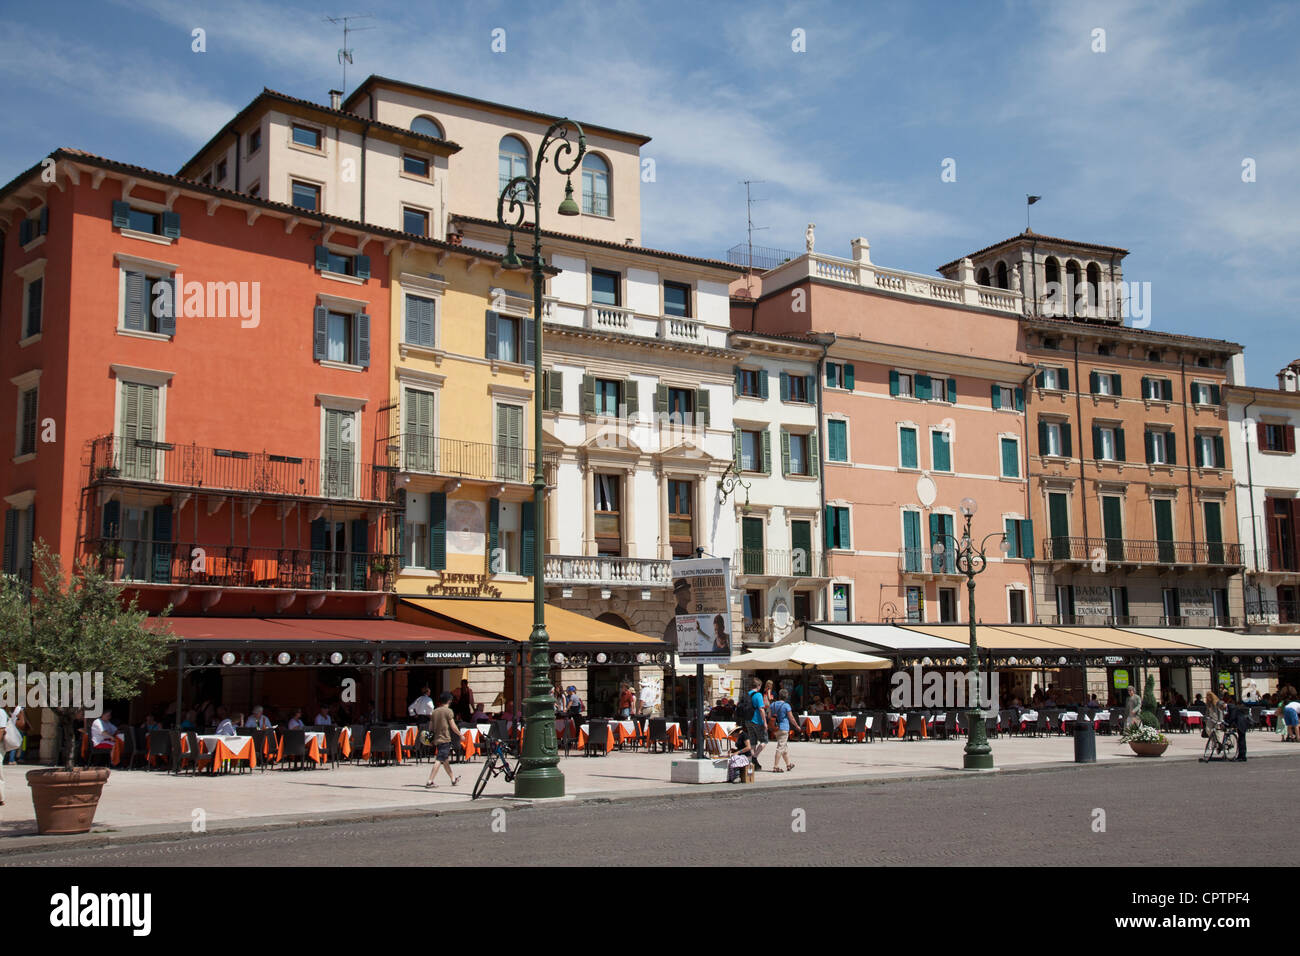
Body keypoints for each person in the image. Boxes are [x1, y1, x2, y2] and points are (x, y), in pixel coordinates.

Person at [425, 692, 461, 789]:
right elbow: (453, 726)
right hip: (445, 738)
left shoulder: (434, 712)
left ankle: (453, 779)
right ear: (449, 701)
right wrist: (460, 735)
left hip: (437, 739)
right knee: (439, 759)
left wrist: (430, 739)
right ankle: (430, 781)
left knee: (445, 760)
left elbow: (430, 727)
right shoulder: (448, 711)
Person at [769, 689, 797, 773]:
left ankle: (788, 764)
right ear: (786, 697)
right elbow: (791, 718)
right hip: (784, 727)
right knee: (780, 747)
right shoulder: (786, 705)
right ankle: (775, 766)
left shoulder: (772, 704)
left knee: (784, 747)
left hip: (775, 728)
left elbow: (769, 716)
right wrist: (797, 726)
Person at [745, 676, 767, 770]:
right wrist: (765, 722)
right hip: (757, 721)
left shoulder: (747, 694)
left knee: (753, 741)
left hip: (748, 720)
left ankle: (753, 764)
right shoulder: (758, 695)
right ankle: (754, 757)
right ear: (758, 686)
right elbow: (761, 709)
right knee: (764, 740)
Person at [1225, 695, 1250, 761]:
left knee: (1241, 740)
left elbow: (1232, 717)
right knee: (1241, 739)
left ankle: (1242, 756)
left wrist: (1228, 724)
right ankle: (1241, 755)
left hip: (1241, 723)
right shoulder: (1232, 706)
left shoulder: (1231, 707)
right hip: (1241, 723)